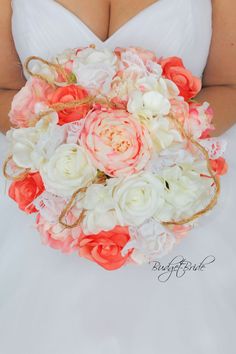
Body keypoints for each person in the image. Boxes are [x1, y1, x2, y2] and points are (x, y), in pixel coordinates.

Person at [0, 1, 235, 354]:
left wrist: (156, 145)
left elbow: (228, 83)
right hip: (41, 200)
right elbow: (4, 88)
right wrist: (56, 154)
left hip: (180, 192)